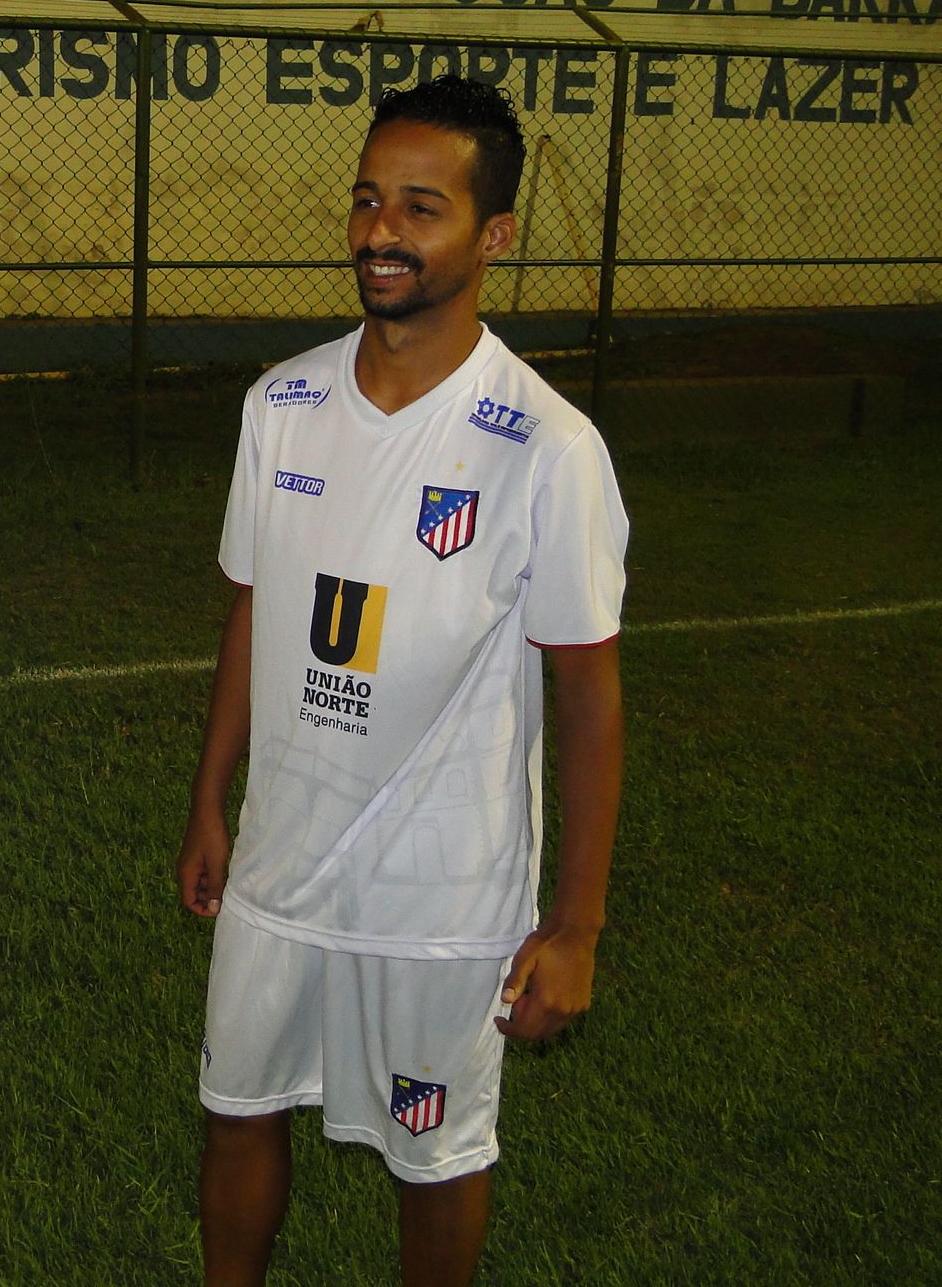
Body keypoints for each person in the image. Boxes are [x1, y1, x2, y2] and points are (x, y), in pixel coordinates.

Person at [175, 75, 627, 1287]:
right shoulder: (280, 406)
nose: (379, 231)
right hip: (279, 865)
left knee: (433, 1161)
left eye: (421, 208)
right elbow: (254, 607)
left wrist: (574, 925)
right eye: (367, 200)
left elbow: (586, 697)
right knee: (235, 1112)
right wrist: (211, 797)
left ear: (493, 236)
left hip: (442, 900)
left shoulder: (547, 449)